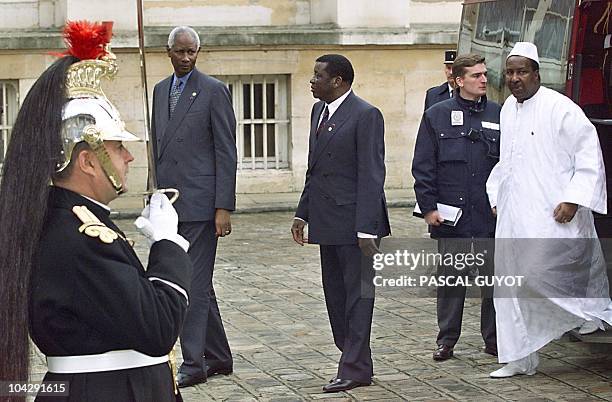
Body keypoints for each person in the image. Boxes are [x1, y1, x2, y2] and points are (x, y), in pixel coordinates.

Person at [0, 21, 192, 401]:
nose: (128, 156)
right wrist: (168, 244)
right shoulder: (83, 235)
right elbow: (157, 327)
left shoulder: (73, 219)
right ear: (88, 161)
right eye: (118, 147)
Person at [486, 42, 612, 378]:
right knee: (509, 284)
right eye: (510, 72)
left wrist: (573, 199)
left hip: (553, 215)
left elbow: (589, 157)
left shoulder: (562, 109)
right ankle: (519, 357)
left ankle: (595, 314)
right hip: (514, 216)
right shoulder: (507, 110)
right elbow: (506, 162)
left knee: (548, 276)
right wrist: (496, 194)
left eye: (522, 71)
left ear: (536, 74)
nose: (515, 78)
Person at [291, 54, 391, 393]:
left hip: (355, 225)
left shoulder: (366, 115)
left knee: (358, 298)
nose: (312, 80)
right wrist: (302, 212)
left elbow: (372, 175)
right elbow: (314, 169)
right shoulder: (319, 111)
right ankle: (355, 358)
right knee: (335, 297)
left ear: (338, 81)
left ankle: (354, 367)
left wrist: (367, 229)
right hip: (326, 220)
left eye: (318, 75)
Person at [151, 25, 237, 388]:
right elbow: (160, 149)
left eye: (192, 52)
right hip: (171, 206)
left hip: (203, 207)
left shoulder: (214, 91)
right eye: (180, 52)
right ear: (168, 52)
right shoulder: (158, 91)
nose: (186, 58)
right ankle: (218, 357)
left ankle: (194, 362)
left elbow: (226, 152)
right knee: (200, 284)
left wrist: (223, 207)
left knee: (193, 284)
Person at [412, 53, 500, 362]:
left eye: (485, 74)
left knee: (493, 282)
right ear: (459, 80)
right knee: (451, 282)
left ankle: (494, 339)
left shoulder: (500, 114)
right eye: (476, 75)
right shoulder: (437, 115)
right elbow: (423, 165)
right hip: (453, 216)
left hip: (489, 214)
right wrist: (428, 208)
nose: (483, 80)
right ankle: (446, 340)